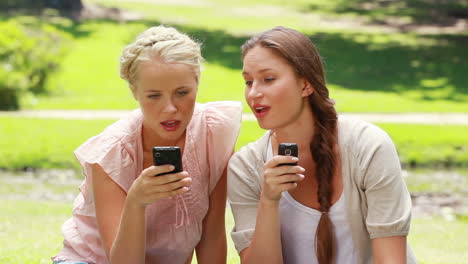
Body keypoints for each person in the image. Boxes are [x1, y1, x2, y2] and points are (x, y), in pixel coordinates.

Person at [52, 25, 242, 264]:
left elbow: (212, 233)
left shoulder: (214, 132)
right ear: (135, 92)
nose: (170, 108)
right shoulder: (112, 153)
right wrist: (136, 202)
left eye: (182, 93)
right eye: (154, 96)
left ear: (197, 83)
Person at [227, 26, 416, 264]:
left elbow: (391, 259)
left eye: (268, 79)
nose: (254, 93)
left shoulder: (367, 147)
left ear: (306, 85)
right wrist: (269, 199)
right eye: (248, 82)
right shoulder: (245, 167)